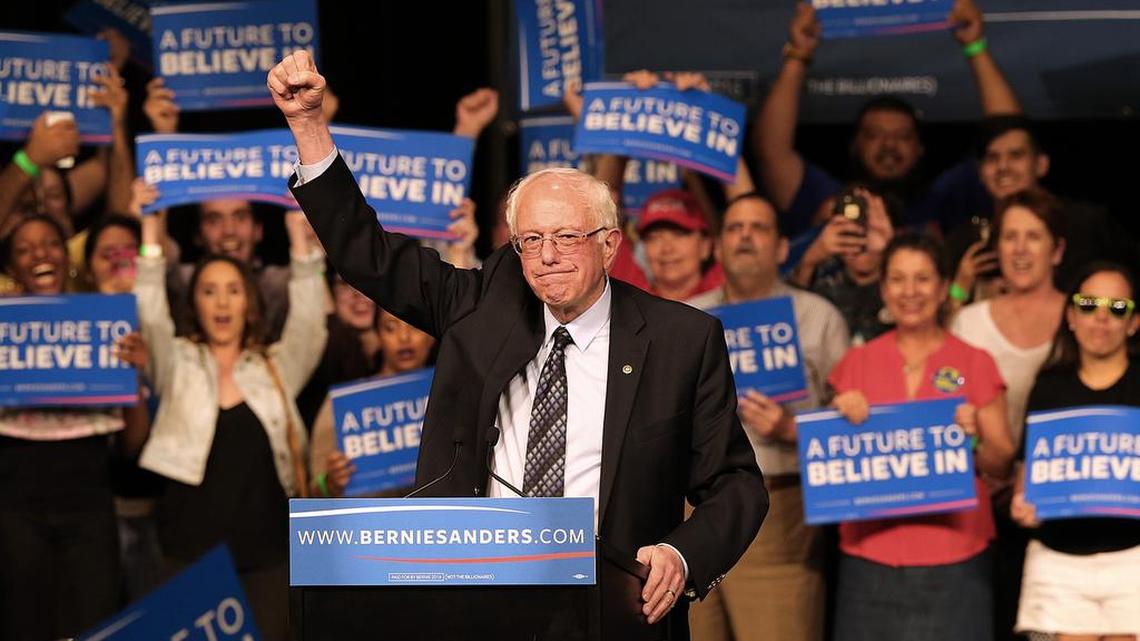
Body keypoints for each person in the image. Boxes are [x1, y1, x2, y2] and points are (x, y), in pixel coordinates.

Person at [268, 49, 767, 635]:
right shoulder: (482, 306)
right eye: (530, 239)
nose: (547, 255)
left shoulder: (682, 339)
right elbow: (369, 257)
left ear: (609, 245)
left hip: (612, 608)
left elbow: (737, 485)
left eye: (565, 236)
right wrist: (308, 125)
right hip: (478, 600)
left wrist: (682, 556)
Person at [132, 208, 327, 641]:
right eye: (209, 291)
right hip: (186, 553)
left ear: (249, 302)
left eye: (234, 290)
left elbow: (310, 327)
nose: (222, 302)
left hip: (268, 556)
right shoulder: (176, 363)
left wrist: (300, 241)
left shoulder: (273, 369)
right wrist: (150, 231)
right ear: (194, 302)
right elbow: (149, 316)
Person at [828, 233, 1016, 641]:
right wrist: (838, 418)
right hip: (869, 558)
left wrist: (974, 437)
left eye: (923, 279)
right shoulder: (855, 364)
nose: (910, 292)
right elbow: (828, 458)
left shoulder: (975, 362)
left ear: (943, 285)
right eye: (897, 279)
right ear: (883, 289)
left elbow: (1001, 462)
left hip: (956, 559)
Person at [687, 188, 849, 641]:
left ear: (781, 248)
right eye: (735, 228)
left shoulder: (818, 317)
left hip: (778, 509)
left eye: (758, 228)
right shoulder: (688, 319)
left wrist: (791, 428)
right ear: (718, 246)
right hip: (689, 512)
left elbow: (855, 428)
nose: (745, 238)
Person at [0, 214, 149, 641]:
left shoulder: (107, 326)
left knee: (93, 629)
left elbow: (133, 444)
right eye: (25, 249)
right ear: (12, 268)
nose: (39, 254)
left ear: (66, 258)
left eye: (49, 244)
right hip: (14, 510)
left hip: (89, 508)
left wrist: (135, 376)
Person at [755, 0, 1020, 240]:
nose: (889, 145)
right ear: (855, 146)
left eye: (903, 137)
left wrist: (975, 46)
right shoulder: (829, 199)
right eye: (874, 135)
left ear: (920, 149)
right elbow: (771, 151)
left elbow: (1011, 136)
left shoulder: (948, 198)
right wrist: (798, 55)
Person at [1011, 263, 1140, 641]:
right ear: (1071, 315)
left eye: (1116, 308)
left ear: (1133, 322)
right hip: (1058, 562)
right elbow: (1026, 481)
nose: (1101, 318)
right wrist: (1024, 507)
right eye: (1088, 305)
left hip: (1133, 557)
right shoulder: (1048, 388)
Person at [309, 308, 437, 497]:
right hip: (370, 522)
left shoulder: (451, 398)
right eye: (390, 327)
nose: (404, 337)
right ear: (378, 335)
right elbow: (313, 489)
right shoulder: (348, 403)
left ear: (432, 335)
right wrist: (330, 482)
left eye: (415, 327)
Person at [791, 185, 896, 344]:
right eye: (849, 229)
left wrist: (892, 249)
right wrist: (809, 261)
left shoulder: (901, 285)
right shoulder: (822, 285)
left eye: (869, 227)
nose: (862, 236)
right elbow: (787, 327)